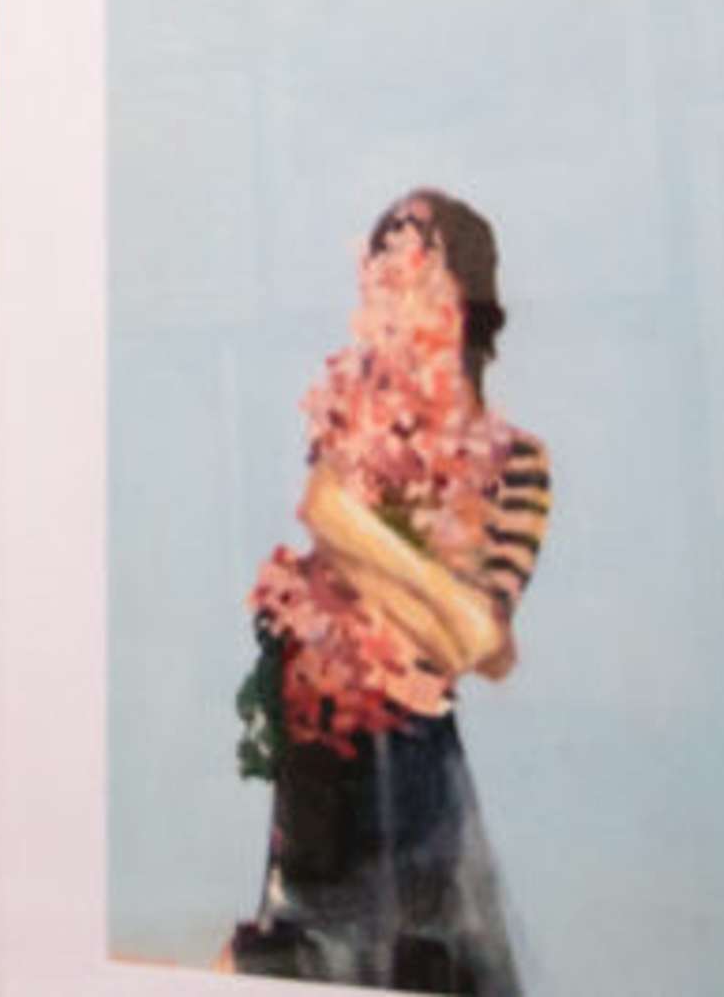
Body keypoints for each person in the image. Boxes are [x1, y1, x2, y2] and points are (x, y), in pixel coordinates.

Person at [228, 190, 550, 993]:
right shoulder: (353, 420)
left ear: (469, 305)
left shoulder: (518, 462)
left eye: (426, 287)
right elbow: (324, 509)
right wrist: (443, 606)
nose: (404, 312)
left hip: (418, 765)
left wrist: (363, 554)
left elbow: (478, 642)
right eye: (387, 287)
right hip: (325, 764)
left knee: (449, 963)